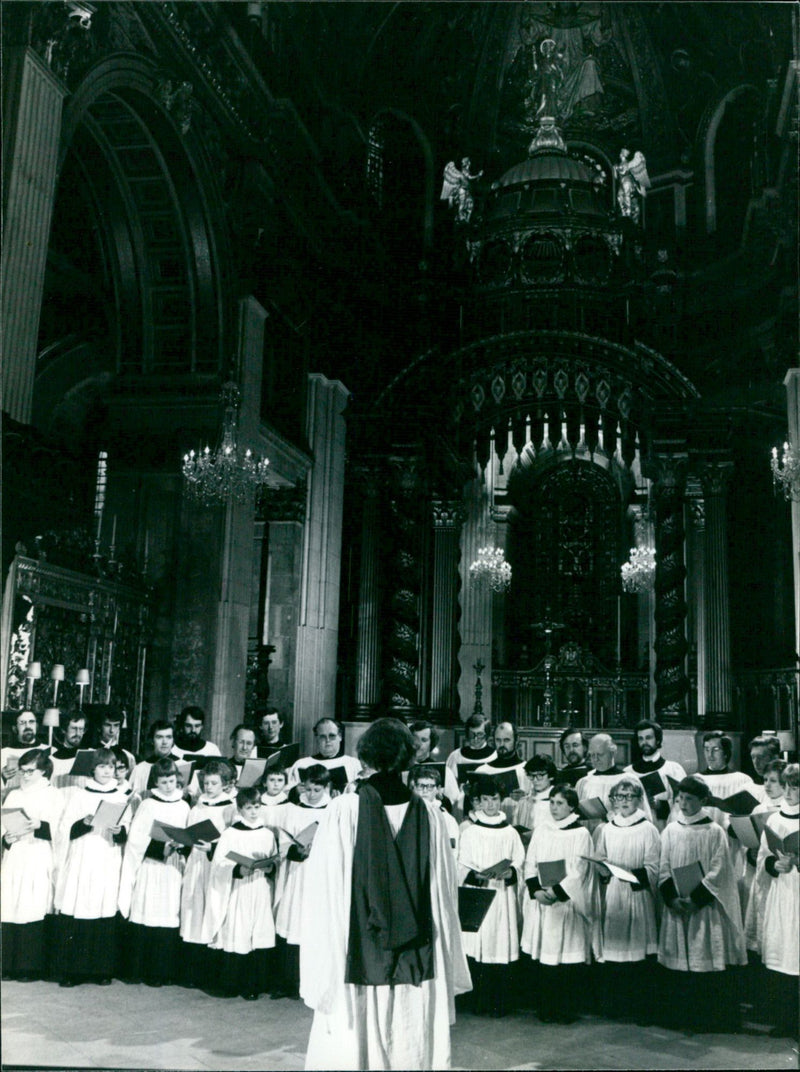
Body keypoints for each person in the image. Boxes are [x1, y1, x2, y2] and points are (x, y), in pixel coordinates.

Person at [299, 717, 471, 1071]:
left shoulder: (344, 810)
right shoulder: (429, 813)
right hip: (416, 947)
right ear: (408, 758)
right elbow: (440, 894)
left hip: (359, 942)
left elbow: (325, 887)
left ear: (367, 757)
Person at [657, 775, 747, 1033]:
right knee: (678, 961)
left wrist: (695, 900)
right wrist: (672, 898)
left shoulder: (714, 831)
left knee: (702, 959)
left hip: (703, 908)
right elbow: (663, 866)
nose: (683, 804)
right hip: (677, 906)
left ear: (703, 801)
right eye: (680, 798)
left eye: (689, 799)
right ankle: (679, 1016)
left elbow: (719, 871)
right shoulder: (671, 830)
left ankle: (705, 1018)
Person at [520, 784, 601, 1024]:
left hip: (566, 903)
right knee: (546, 958)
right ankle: (546, 1008)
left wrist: (555, 892)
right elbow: (530, 862)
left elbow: (580, 871)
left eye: (560, 803)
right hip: (543, 902)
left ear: (572, 807)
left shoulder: (581, 834)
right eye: (552, 802)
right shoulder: (542, 830)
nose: (554, 808)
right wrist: (536, 891)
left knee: (566, 958)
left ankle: (566, 1010)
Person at [53, 747, 132, 987]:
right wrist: (84, 823)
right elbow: (65, 828)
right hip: (83, 856)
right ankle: (72, 971)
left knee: (103, 909)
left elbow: (126, 829)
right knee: (79, 908)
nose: (107, 771)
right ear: (93, 769)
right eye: (102, 766)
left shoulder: (121, 795)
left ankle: (100, 970)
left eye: (111, 766)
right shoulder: (79, 794)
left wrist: (120, 832)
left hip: (107, 856)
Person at [118, 756, 190, 986]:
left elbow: (189, 834)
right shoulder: (149, 804)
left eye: (171, 780)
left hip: (173, 868)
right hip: (152, 866)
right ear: (155, 782)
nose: (168, 786)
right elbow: (136, 840)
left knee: (168, 914)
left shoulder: (184, 805)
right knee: (147, 911)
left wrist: (182, 845)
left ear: (177, 779)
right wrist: (161, 847)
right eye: (163, 782)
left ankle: (162, 972)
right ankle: (140, 969)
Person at [592, 778, 660, 1021]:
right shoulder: (607, 829)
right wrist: (601, 869)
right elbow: (600, 860)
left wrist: (630, 874)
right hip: (613, 894)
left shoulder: (648, 829)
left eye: (629, 796)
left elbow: (653, 868)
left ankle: (640, 1009)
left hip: (637, 895)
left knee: (638, 954)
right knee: (615, 951)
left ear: (639, 799)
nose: (624, 801)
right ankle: (616, 1007)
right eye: (619, 796)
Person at [457, 775, 525, 1017]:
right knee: (478, 946)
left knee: (499, 943)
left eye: (494, 799)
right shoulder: (471, 831)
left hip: (502, 896)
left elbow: (520, 862)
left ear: (501, 800)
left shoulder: (510, 833)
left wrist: (511, 871)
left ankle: (499, 1003)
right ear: (478, 802)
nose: (489, 805)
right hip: (480, 894)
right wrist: (477, 875)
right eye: (484, 800)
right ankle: (478, 1002)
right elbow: (462, 863)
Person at [204, 786, 278, 1000]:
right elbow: (219, 863)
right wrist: (238, 869)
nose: (254, 812)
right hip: (239, 890)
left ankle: (253, 985)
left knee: (258, 935)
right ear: (239, 809)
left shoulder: (267, 833)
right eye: (248, 808)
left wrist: (269, 867)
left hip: (260, 888)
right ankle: (232, 984)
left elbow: (273, 858)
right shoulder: (230, 833)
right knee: (239, 932)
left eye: (257, 807)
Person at [1, 749, 63, 980]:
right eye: (23, 771)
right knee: (10, 904)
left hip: (38, 853)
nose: (25, 776)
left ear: (44, 771)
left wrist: (41, 824)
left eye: (30, 771)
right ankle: (7, 965)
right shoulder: (14, 795)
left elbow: (59, 830)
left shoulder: (53, 794)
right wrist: (5, 839)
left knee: (31, 905)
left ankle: (28, 967)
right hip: (16, 854)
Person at [272, 765, 332, 999]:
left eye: (317, 789)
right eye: (308, 788)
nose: (312, 794)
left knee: (316, 926)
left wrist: (317, 851)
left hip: (320, 876)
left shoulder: (332, 810)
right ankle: (289, 981)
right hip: (297, 875)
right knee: (294, 923)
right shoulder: (293, 810)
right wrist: (297, 851)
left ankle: (315, 982)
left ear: (326, 787)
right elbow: (284, 841)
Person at [179, 759, 237, 988]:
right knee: (194, 912)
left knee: (214, 910)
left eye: (214, 783)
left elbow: (234, 840)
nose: (209, 787)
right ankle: (193, 971)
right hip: (196, 865)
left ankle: (212, 973)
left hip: (216, 867)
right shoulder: (197, 807)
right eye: (206, 782)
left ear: (225, 784)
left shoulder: (230, 808)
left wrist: (213, 848)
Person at [754, 762, 799, 1038]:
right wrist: (774, 865)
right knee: (783, 954)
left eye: (796, 787)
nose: (791, 792)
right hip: (782, 893)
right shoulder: (774, 819)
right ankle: (786, 1019)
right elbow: (762, 857)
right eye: (788, 786)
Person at [744, 758, 786, 955]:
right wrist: (751, 852)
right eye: (765, 780)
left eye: (773, 781)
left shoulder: (790, 808)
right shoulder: (759, 808)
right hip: (762, 869)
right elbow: (753, 842)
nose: (767, 785)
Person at [576, 734, 651, 831]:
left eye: (600, 754)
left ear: (613, 752)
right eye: (592, 755)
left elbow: (644, 816)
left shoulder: (630, 780)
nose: (595, 759)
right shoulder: (583, 782)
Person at [625, 719, 686, 828]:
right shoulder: (628, 772)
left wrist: (660, 805)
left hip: (664, 827)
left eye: (648, 738)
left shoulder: (674, 770)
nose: (644, 743)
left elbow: (683, 803)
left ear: (658, 740)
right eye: (641, 739)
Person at [472, 722, 529, 821]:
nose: (502, 745)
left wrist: (525, 798)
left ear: (516, 740)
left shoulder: (527, 770)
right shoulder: (482, 771)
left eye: (507, 740)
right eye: (498, 740)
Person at [288, 719, 361, 793]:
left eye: (332, 736)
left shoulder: (353, 763)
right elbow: (287, 792)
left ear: (340, 737)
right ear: (317, 738)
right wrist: (295, 791)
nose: (327, 740)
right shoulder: (301, 764)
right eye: (323, 736)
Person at [407, 720, 461, 810]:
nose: (418, 745)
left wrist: (441, 798)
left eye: (424, 740)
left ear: (431, 744)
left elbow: (454, 801)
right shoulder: (401, 769)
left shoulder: (445, 771)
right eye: (414, 739)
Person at [409, 764, 460, 852]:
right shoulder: (407, 814)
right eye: (420, 786)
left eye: (429, 787)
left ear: (438, 789)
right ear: (414, 788)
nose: (424, 791)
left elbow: (452, 851)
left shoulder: (447, 819)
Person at [446, 713, 496, 789]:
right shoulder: (456, 756)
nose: (475, 739)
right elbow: (449, 784)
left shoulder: (495, 756)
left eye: (480, 734)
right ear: (467, 734)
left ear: (487, 734)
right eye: (472, 734)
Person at [130, 720, 180, 795]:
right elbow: (133, 798)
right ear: (152, 740)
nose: (164, 742)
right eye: (159, 737)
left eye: (168, 737)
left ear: (173, 740)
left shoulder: (183, 765)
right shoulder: (140, 769)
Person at [2, 710, 45, 794]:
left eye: (31, 722)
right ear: (15, 728)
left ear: (36, 726)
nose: (27, 726)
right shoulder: (3, 753)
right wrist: (3, 776)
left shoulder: (50, 750)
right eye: (22, 723)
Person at [514, 754, 557, 836]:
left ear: (551, 776)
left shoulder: (558, 801)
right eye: (532, 775)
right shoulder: (523, 802)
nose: (535, 780)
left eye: (540, 775)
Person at [49, 712, 90, 789]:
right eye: (74, 728)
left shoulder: (88, 756)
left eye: (81, 729)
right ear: (63, 730)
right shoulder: (53, 758)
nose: (78, 733)